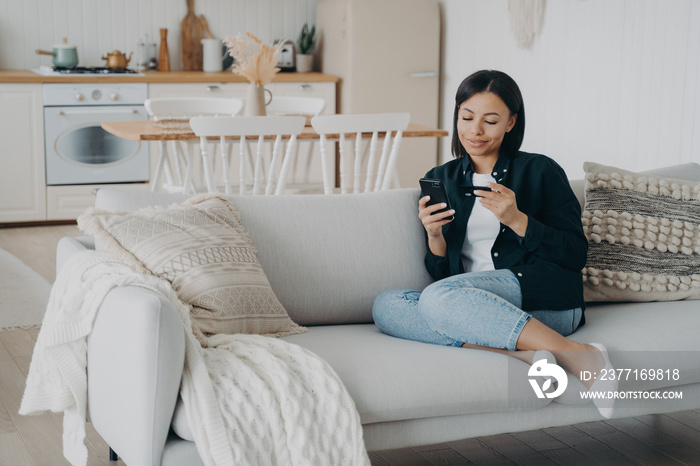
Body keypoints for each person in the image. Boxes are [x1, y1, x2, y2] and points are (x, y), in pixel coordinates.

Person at [372, 69, 616, 417]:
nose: (475, 130)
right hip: (474, 307)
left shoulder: (541, 171)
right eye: (467, 117)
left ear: (511, 123)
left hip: (544, 301)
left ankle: (580, 354)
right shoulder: (441, 178)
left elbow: (574, 254)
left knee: (438, 300)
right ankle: (523, 354)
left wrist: (518, 220)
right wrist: (434, 235)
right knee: (386, 305)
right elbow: (443, 277)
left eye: (490, 120)